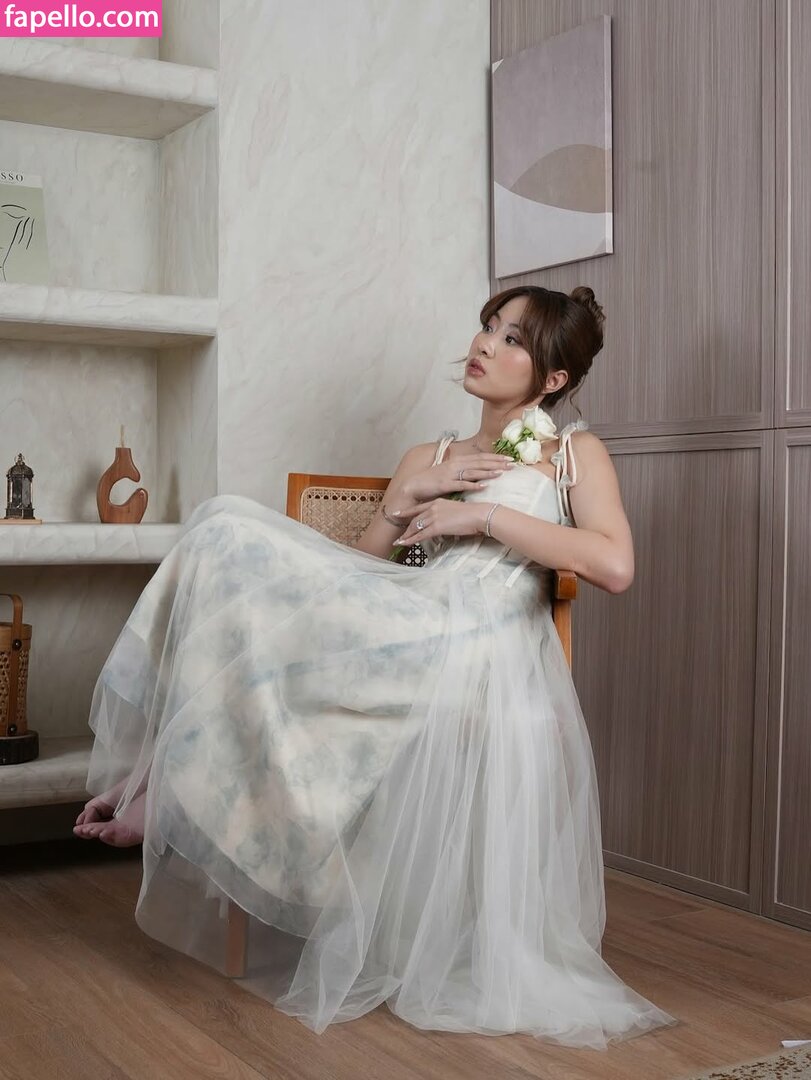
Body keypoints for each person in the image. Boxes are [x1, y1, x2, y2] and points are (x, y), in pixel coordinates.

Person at [73, 284, 681, 1050]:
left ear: (552, 378)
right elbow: (360, 571)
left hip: (479, 640)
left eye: (513, 340)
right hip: (405, 615)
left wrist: (482, 515)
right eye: (488, 326)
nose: (485, 344)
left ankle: (160, 784)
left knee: (242, 588)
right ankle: (161, 777)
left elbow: (613, 565)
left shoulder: (571, 454)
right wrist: (406, 500)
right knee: (220, 529)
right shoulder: (428, 455)